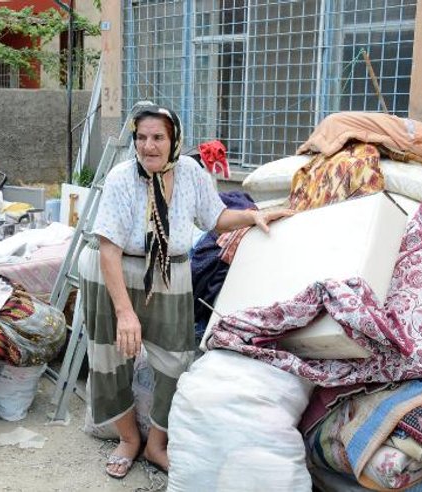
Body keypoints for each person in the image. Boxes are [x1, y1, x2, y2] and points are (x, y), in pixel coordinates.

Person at [78, 105, 293, 479]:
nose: (149, 146)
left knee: (177, 360)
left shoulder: (192, 172)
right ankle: (128, 439)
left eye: (158, 137)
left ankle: (157, 444)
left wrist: (253, 216)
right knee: (110, 360)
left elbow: (214, 218)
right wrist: (125, 312)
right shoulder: (120, 178)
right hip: (114, 268)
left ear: (174, 140)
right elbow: (108, 248)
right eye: (141, 137)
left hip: (169, 270)